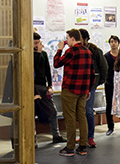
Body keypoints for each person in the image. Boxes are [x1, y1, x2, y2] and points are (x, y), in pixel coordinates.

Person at [53, 28, 95, 157]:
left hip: (70, 89)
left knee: (70, 118)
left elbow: (56, 63)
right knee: (82, 117)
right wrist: (88, 89)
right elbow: (92, 73)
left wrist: (59, 49)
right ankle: (82, 146)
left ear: (72, 38)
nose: (66, 41)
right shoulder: (88, 52)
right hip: (83, 90)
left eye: (67, 38)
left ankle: (70, 148)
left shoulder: (71, 51)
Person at [33, 32, 66, 144]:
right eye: (35, 43)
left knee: (52, 111)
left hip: (43, 86)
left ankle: (56, 135)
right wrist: (37, 53)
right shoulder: (30, 55)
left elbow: (48, 70)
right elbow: (34, 67)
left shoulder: (44, 54)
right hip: (33, 87)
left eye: (38, 42)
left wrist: (50, 86)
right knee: (32, 113)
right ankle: (33, 140)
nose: (38, 45)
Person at [79, 28, 108, 148]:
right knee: (80, 112)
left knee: (88, 111)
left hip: (90, 85)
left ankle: (90, 137)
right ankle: (83, 137)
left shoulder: (96, 51)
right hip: (79, 85)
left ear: (86, 39)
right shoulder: (77, 50)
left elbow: (104, 68)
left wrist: (97, 83)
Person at [103, 35, 120, 136]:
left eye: (115, 41)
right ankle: (110, 127)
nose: (113, 43)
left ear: (118, 43)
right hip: (110, 83)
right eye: (111, 42)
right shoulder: (106, 56)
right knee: (109, 105)